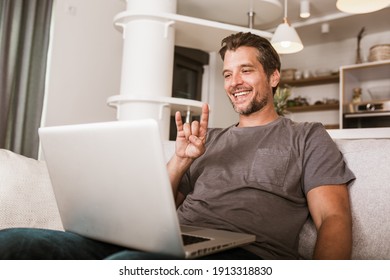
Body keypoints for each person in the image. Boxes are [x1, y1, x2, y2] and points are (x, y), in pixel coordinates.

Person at [0, 32, 355, 260]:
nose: (235, 83)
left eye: (246, 71)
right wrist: (180, 161)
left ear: (273, 76)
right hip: (172, 243)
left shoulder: (306, 135)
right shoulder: (207, 138)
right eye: (228, 74)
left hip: (244, 254)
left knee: (126, 267)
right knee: (15, 244)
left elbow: (333, 218)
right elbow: (158, 208)